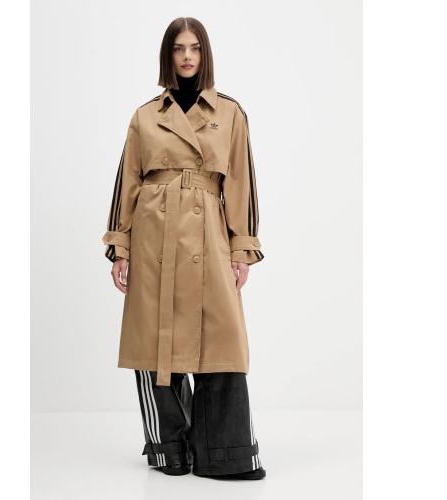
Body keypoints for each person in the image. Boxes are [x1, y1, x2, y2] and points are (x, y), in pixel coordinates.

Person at [102, 17, 266, 480]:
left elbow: (241, 185)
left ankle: (225, 452)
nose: (188, 56)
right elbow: (127, 182)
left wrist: (241, 249)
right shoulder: (145, 116)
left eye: (195, 48)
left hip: (208, 234)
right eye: (178, 48)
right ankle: (169, 448)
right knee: (155, 339)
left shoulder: (230, 113)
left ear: (205, 54)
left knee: (221, 340)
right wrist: (120, 247)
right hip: (153, 234)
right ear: (168, 56)